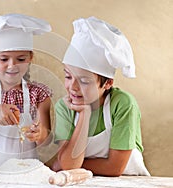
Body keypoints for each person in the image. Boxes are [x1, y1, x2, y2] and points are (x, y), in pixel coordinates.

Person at [52, 16, 150, 176]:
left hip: (129, 186)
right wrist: (84, 114)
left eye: (84, 81)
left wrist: (70, 164)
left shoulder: (123, 104)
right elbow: (69, 165)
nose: (73, 88)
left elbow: (115, 168)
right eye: (68, 77)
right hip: (84, 186)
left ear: (107, 83)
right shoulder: (64, 106)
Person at [0, 13, 53, 170]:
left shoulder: (38, 94)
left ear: (30, 57)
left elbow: (46, 139)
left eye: (20, 59)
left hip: (25, 174)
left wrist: (40, 134)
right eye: (4, 59)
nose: (12, 66)